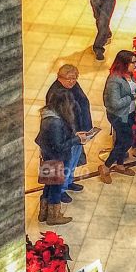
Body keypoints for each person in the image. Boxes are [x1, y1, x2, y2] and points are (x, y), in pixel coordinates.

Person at [45, 64, 93, 198]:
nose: (72, 81)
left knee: (74, 160)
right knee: (66, 163)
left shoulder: (72, 86)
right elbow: (60, 116)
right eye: (69, 78)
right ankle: (61, 190)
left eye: (75, 78)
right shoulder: (56, 93)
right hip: (67, 135)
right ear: (60, 78)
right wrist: (73, 133)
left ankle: (69, 181)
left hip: (78, 131)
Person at [35, 88, 78, 225]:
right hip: (57, 159)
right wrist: (77, 140)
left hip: (48, 156)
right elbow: (59, 146)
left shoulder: (48, 116)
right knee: (56, 187)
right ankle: (54, 216)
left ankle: (44, 212)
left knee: (49, 184)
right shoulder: (56, 122)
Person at [101, 50, 136, 182]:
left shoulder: (129, 75)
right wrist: (132, 97)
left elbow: (132, 89)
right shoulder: (114, 80)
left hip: (129, 112)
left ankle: (120, 165)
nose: (135, 65)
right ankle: (106, 166)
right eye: (133, 63)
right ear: (124, 63)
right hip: (118, 115)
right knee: (126, 141)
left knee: (121, 140)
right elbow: (115, 103)